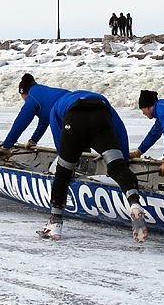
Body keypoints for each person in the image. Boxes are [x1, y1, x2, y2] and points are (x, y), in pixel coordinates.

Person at [38, 89, 148, 243]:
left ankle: (55, 222)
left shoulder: (56, 106)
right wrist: (123, 161)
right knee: (117, 166)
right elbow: (120, 131)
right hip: (101, 117)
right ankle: (134, 203)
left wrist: (69, 158)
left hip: (73, 118)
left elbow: (59, 140)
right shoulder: (100, 99)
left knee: (63, 173)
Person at [0, 73, 70, 153]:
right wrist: (33, 140)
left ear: (24, 93)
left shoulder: (32, 97)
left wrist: (6, 146)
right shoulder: (44, 93)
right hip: (79, 100)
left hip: (67, 110)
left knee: (64, 146)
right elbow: (44, 120)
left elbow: (20, 124)